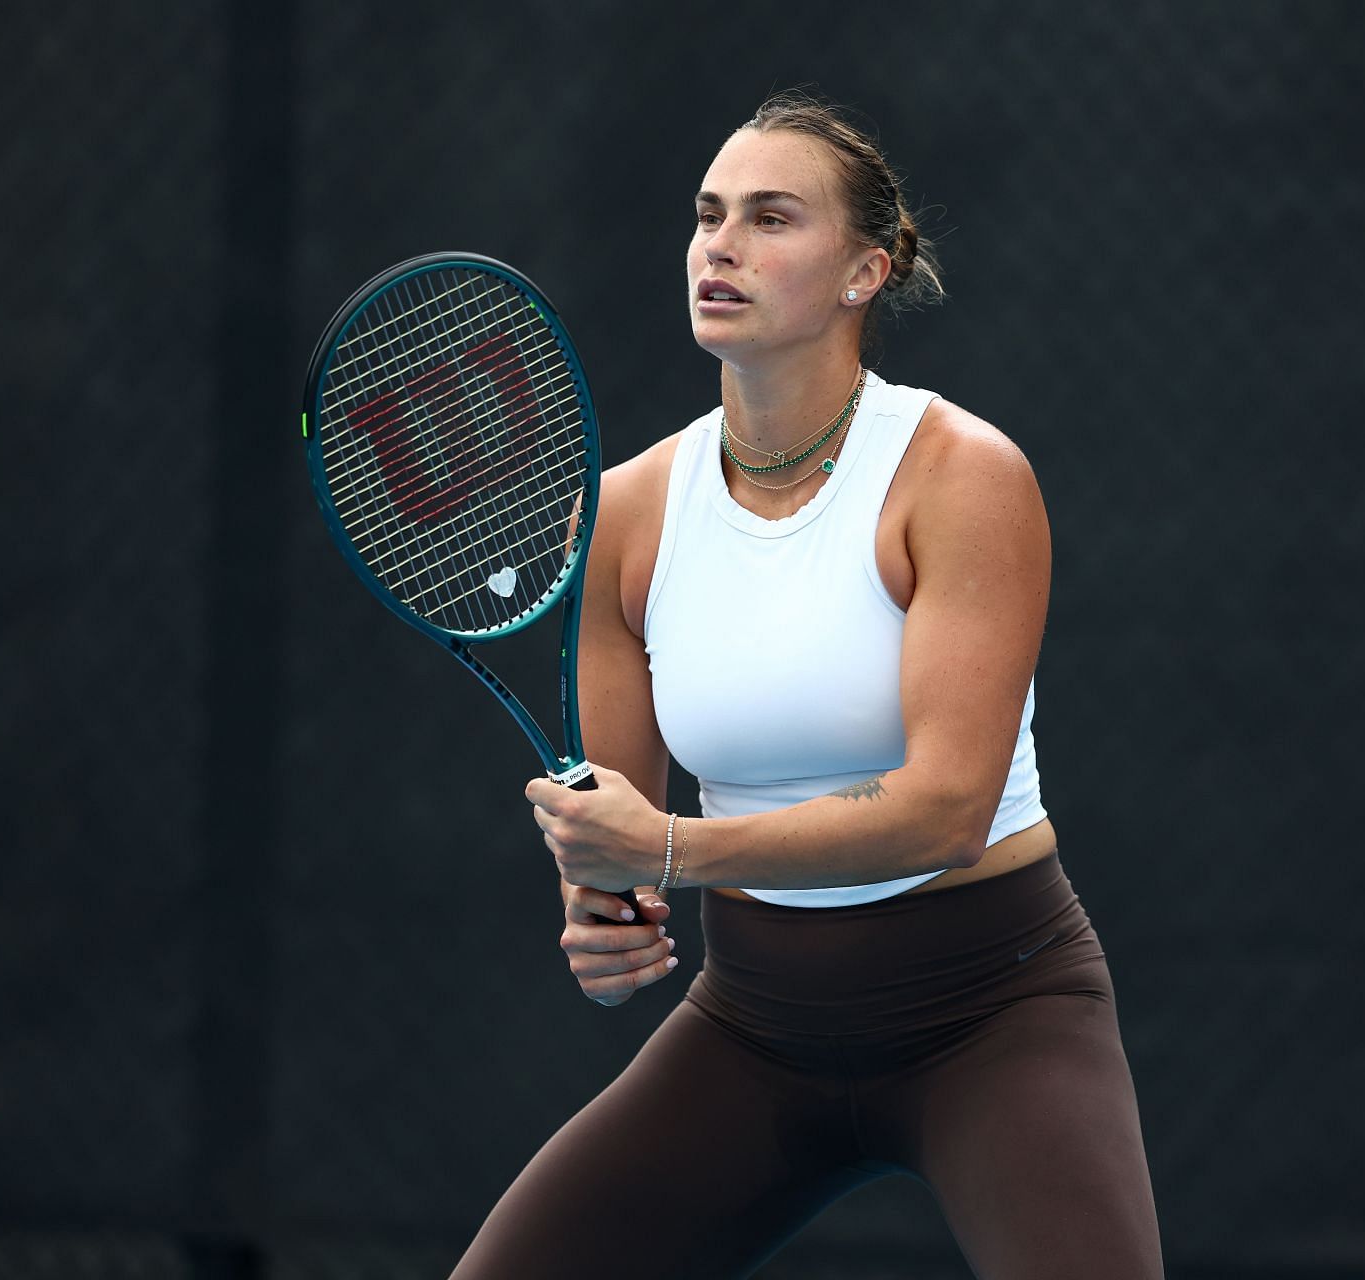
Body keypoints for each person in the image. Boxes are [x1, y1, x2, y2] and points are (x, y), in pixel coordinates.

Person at [450, 92, 1163, 1279]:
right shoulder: (623, 513)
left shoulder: (961, 476)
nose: (719, 245)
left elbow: (941, 810)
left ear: (864, 271)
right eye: (707, 215)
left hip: (996, 1012)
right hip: (756, 1029)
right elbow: (622, 825)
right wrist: (601, 904)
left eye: (771, 218)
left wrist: (668, 849)